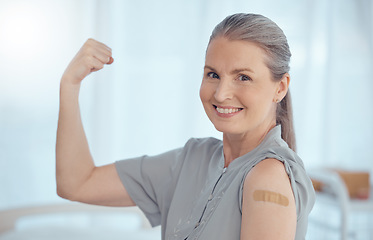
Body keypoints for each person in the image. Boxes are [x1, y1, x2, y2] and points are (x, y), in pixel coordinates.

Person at [56, 13, 315, 240]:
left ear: (280, 88)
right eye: (213, 74)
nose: (221, 93)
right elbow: (77, 183)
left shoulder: (268, 177)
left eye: (243, 77)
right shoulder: (192, 160)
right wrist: (70, 86)